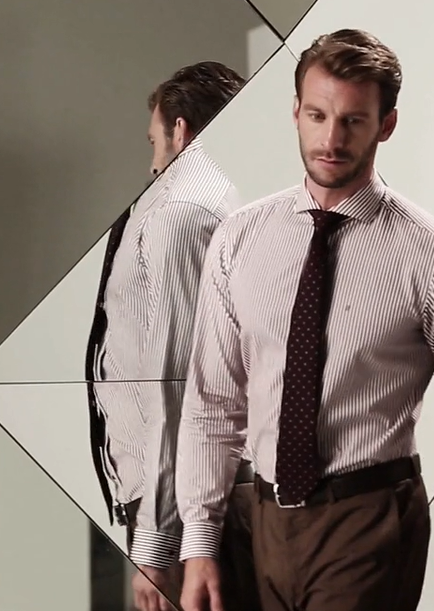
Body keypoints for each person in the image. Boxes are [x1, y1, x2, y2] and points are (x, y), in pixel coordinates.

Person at [174, 28, 434, 611]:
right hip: (260, 523)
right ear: (295, 112)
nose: (331, 139)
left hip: (367, 521)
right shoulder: (240, 239)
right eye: (317, 115)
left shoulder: (431, 255)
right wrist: (199, 543)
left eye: (353, 121)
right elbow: (212, 403)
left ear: (386, 125)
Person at [83, 61, 261, 611]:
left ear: (180, 130)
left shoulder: (181, 212)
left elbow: (176, 382)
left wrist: (157, 539)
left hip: (190, 511)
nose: (152, 161)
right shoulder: (212, 201)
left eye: (154, 142)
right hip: (193, 499)